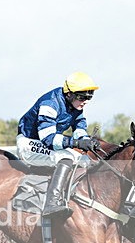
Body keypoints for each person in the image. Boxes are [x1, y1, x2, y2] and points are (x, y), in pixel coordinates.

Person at [16, 71, 101, 218]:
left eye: (89, 97)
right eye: (82, 97)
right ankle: (52, 203)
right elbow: (48, 139)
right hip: (29, 143)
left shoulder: (75, 105)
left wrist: (86, 141)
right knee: (65, 158)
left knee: (85, 160)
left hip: (45, 144)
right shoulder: (50, 104)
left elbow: (79, 127)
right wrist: (76, 143)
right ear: (69, 94)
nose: (86, 101)